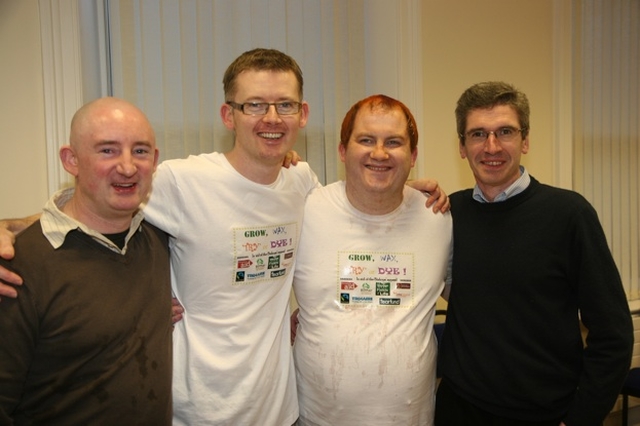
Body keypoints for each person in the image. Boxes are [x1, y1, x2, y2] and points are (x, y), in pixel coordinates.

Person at [0, 49, 447, 424]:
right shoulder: (181, 181)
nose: (271, 118)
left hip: (279, 409)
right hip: (194, 410)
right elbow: (94, 202)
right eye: (254, 104)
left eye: (284, 105)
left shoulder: (302, 183)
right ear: (228, 115)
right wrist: (9, 230)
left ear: (302, 115)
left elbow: (362, 198)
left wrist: (405, 187)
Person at [435, 81, 633, 426]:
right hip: (459, 409)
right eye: (478, 134)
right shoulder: (449, 214)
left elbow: (613, 335)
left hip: (544, 414)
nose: (491, 146)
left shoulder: (569, 215)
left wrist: (581, 419)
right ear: (462, 147)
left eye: (505, 132)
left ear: (525, 140)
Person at [0, 97, 173, 424]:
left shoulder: (161, 237)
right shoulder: (18, 265)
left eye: (140, 150)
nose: (127, 166)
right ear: (71, 160)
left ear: (155, 159)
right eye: (107, 150)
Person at [291, 94, 452, 425]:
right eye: (366, 140)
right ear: (342, 150)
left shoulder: (437, 217)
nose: (379, 153)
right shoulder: (304, 210)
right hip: (317, 417)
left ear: (413, 155)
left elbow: (475, 299)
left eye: (394, 142)